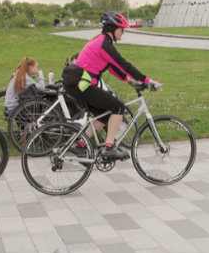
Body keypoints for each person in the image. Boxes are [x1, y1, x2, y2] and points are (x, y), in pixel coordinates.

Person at [62, 11, 161, 161]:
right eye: (122, 29)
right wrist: (147, 81)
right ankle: (109, 148)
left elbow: (112, 67)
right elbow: (123, 64)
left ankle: (80, 145)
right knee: (119, 107)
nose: (124, 32)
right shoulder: (104, 44)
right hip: (82, 86)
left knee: (107, 114)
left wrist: (130, 81)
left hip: (78, 86)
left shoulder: (101, 41)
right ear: (112, 28)